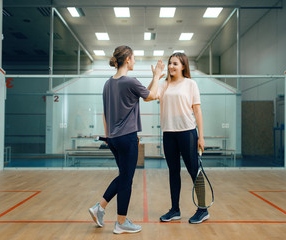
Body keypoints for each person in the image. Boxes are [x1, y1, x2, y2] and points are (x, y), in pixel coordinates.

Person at [89, 46, 165, 234]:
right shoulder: (130, 81)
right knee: (126, 179)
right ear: (128, 59)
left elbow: (107, 113)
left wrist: (108, 137)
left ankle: (100, 208)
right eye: (134, 58)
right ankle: (121, 222)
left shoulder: (108, 83)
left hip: (113, 139)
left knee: (124, 176)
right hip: (127, 138)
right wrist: (156, 76)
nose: (135, 61)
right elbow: (152, 96)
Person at [146, 52, 208, 224]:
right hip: (168, 134)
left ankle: (203, 209)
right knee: (173, 172)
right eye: (170, 63)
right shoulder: (164, 84)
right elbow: (148, 96)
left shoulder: (191, 84)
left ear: (183, 66)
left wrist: (201, 137)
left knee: (193, 171)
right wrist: (156, 76)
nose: (171, 66)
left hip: (187, 133)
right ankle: (175, 210)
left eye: (175, 63)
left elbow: (197, 111)